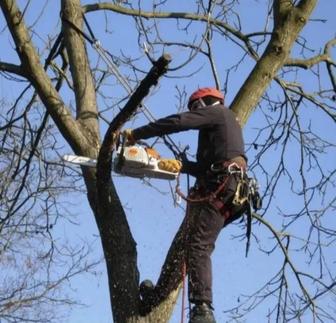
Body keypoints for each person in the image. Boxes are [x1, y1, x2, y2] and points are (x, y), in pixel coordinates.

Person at [123, 87, 248, 323]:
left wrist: (137, 134)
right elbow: (205, 168)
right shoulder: (221, 134)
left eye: (195, 109)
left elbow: (179, 122)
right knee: (183, 246)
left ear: (203, 104)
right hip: (220, 188)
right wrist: (181, 166)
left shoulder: (219, 112)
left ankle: (202, 309)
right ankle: (155, 297)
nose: (194, 113)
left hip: (222, 187)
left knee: (198, 245)